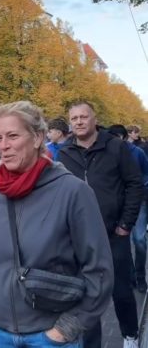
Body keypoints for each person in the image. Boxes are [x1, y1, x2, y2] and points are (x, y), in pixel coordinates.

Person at [0, 100, 114, 348]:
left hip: (51, 336)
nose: (4, 146)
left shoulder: (73, 191)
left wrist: (66, 329)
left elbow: (98, 270)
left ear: (37, 138)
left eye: (13, 136)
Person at [58, 102, 143, 348]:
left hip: (114, 232)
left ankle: (129, 334)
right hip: (78, 235)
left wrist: (126, 224)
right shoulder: (64, 152)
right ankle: (91, 342)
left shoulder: (116, 147)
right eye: (74, 118)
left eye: (84, 116)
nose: (79, 121)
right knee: (84, 293)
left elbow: (134, 184)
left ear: (95, 119)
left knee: (121, 291)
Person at [109, 124, 148, 293]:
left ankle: (140, 276)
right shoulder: (107, 153)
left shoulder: (137, 152)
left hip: (138, 201)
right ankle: (131, 275)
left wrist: (141, 187)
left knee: (139, 239)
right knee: (121, 240)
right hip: (118, 202)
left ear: (124, 138)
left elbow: (146, 173)